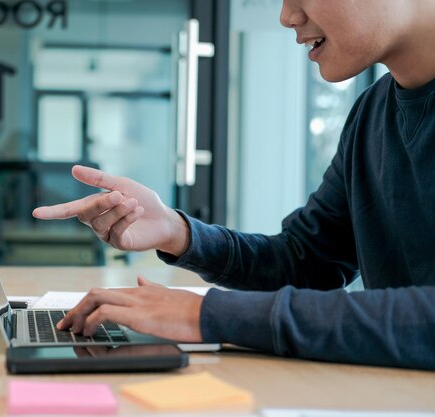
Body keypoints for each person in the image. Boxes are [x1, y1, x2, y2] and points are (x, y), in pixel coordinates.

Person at [33, 0, 435, 370]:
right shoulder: (371, 112)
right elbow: (306, 263)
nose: (287, 16)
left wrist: (204, 315)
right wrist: (179, 233)